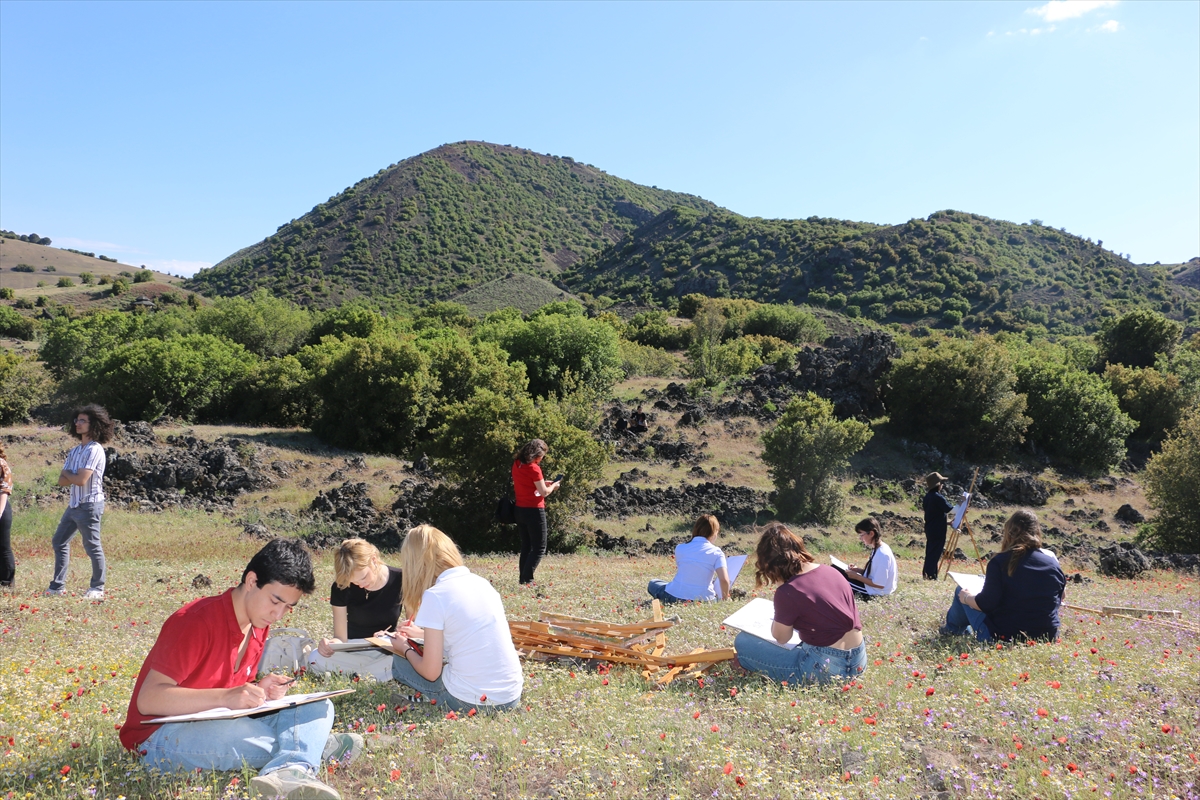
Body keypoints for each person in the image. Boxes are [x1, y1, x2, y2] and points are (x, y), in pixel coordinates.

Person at [120, 538, 361, 800]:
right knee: (240, 733)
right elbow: (149, 700)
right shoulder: (195, 621)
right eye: (275, 601)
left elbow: (225, 690)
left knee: (318, 706)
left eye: (287, 608)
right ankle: (311, 748)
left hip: (218, 719)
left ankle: (291, 768)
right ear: (251, 581)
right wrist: (227, 697)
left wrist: (258, 689)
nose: (277, 615)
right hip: (159, 738)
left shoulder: (257, 623)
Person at [387, 524, 523, 712]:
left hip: (470, 701)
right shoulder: (481, 583)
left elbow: (431, 672)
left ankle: (430, 703)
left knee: (400, 662)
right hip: (510, 696)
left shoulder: (436, 595)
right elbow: (465, 632)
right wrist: (420, 633)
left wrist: (404, 647)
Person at [733, 522, 866, 685]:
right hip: (858, 661)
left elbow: (781, 638)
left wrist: (782, 591)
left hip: (824, 668)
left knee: (743, 641)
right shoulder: (831, 571)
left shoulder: (788, 591)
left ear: (769, 563)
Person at [941, 510, 1066, 642]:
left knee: (960, 590)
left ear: (1009, 533)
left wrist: (966, 597)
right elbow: (1061, 597)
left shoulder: (1000, 562)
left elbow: (986, 604)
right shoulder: (1052, 562)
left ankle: (952, 630)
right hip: (1047, 636)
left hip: (1005, 636)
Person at [306, 538, 402, 682]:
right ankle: (376, 675)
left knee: (407, 658)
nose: (361, 585)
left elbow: (411, 630)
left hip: (386, 651)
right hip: (351, 649)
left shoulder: (401, 579)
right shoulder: (341, 586)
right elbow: (340, 638)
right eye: (354, 582)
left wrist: (390, 635)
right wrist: (329, 645)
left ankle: (361, 675)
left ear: (374, 560)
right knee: (315, 658)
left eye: (363, 577)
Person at [47, 405, 114, 599]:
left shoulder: (94, 450)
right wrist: (70, 475)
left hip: (89, 504)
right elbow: (61, 482)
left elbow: (80, 479)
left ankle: (97, 588)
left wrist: (69, 474)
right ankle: (57, 586)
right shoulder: (75, 451)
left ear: (94, 424)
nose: (78, 423)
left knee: (92, 546)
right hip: (74, 504)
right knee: (59, 541)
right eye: (77, 420)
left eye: (83, 420)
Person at [647, 514, 731, 604]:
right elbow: (724, 580)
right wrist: (726, 598)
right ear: (714, 533)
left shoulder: (680, 548)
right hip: (704, 600)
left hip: (674, 596)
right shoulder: (717, 552)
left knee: (653, 583)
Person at [511, 438, 560, 585]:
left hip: (519, 509)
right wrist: (553, 486)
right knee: (539, 547)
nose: (541, 460)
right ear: (537, 455)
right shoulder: (534, 468)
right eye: (542, 456)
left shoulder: (517, 464)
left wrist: (542, 484)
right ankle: (528, 579)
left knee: (526, 546)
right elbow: (544, 493)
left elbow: (529, 485)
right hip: (534, 511)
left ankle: (523, 580)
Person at [834, 517, 897, 602]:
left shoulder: (882, 554)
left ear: (871, 533)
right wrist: (858, 570)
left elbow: (879, 584)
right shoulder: (878, 548)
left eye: (861, 535)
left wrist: (856, 576)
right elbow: (875, 574)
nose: (860, 538)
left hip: (875, 592)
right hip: (872, 587)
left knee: (836, 581)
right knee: (835, 569)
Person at [921, 471, 954, 580]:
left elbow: (934, 515)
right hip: (938, 530)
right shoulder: (937, 497)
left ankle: (928, 573)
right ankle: (930, 575)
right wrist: (963, 505)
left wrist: (947, 522)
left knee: (931, 552)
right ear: (938, 484)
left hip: (931, 528)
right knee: (935, 553)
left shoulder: (927, 497)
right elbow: (950, 509)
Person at [0, 443, 13, 589]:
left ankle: (6, 583)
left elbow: (4, 490)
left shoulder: (1, 464)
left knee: (3, 547)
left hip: (1, 509)